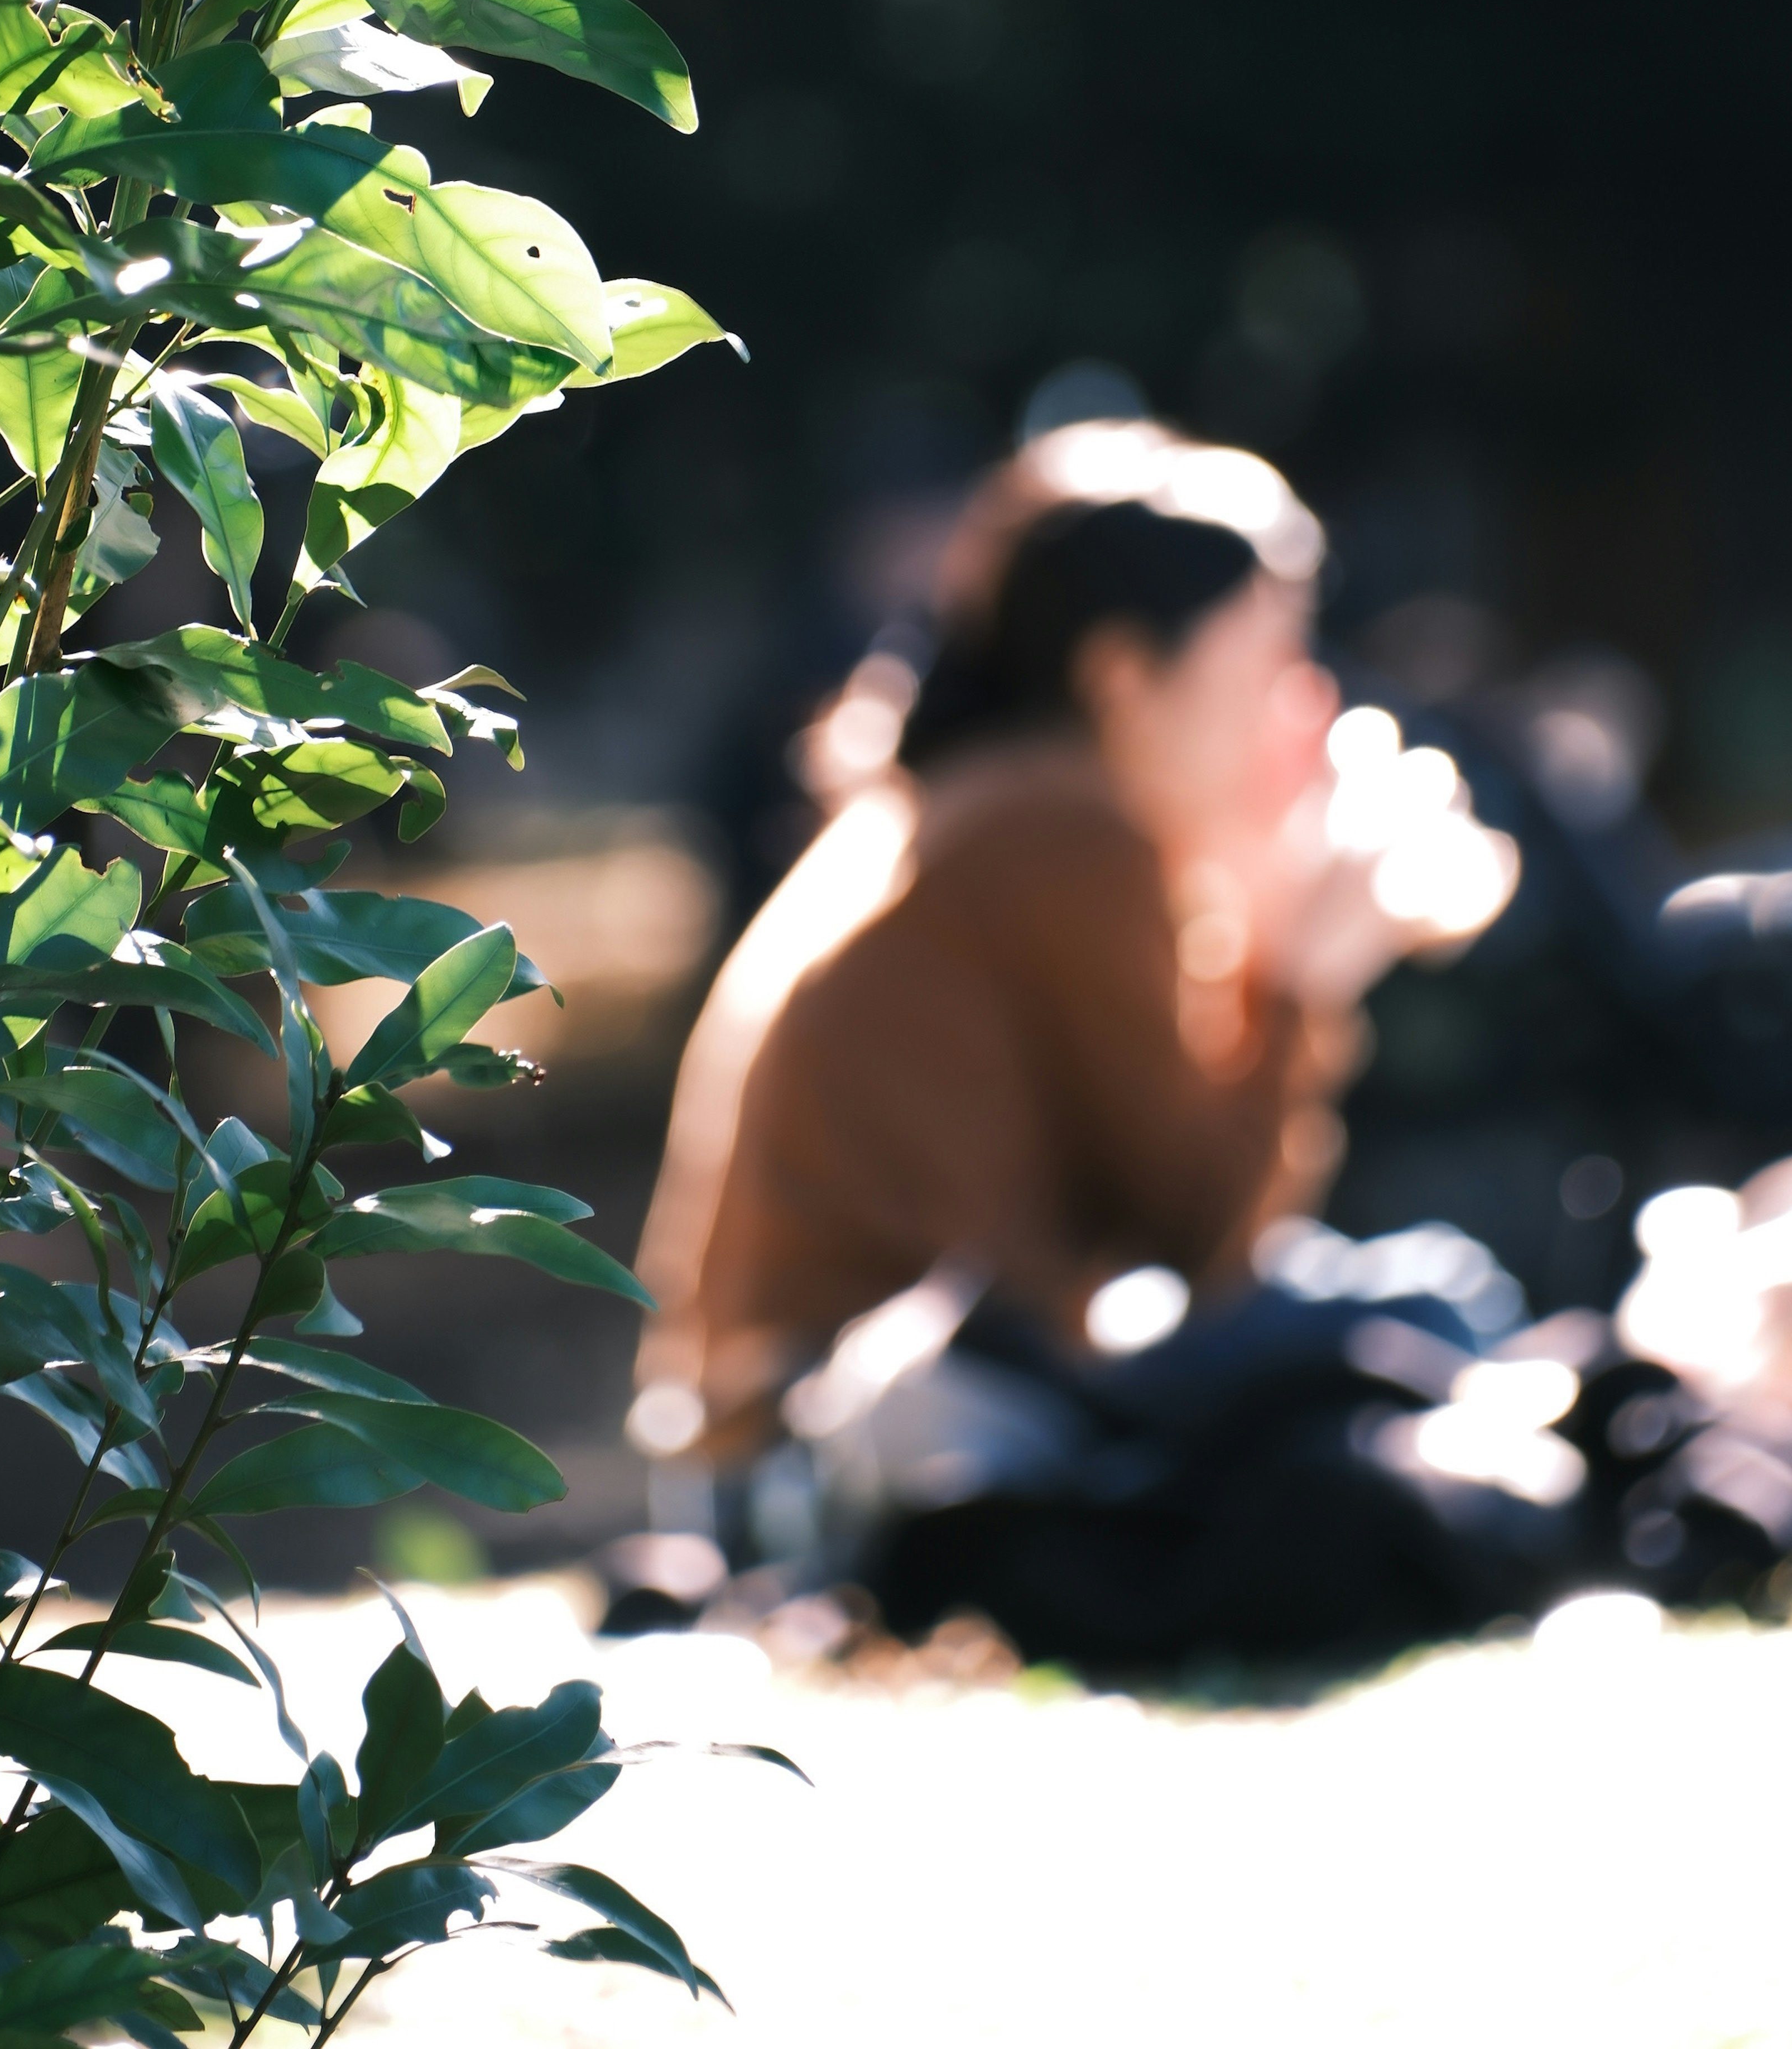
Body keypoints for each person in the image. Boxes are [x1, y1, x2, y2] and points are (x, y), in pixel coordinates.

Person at [624, 418, 1626, 1675]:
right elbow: (1205, 1240)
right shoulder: (1062, 831)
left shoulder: (990, 808)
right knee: (1430, 1301)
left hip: (787, 1446)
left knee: (1403, 1301)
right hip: (865, 1447)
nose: (1303, 707)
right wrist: (1312, 971)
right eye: (1265, 664)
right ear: (1122, 679)